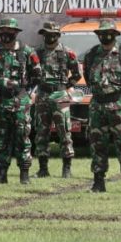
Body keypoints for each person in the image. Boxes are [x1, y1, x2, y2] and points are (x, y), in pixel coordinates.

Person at [82, 19, 121, 193]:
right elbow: (88, 77)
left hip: (120, 106)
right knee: (97, 145)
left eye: (108, 33)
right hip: (98, 107)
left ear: (115, 35)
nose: (105, 36)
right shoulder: (91, 55)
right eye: (101, 34)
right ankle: (98, 182)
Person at [0, 18, 41, 186]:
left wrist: (29, 93)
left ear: (16, 33)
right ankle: (1, 174)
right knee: (2, 139)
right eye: (2, 31)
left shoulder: (27, 52)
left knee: (22, 137)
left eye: (9, 32)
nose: (5, 35)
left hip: (20, 101)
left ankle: (24, 173)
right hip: (0, 102)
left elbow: (37, 75)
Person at [33, 21, 81, 178]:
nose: (49, 37)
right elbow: (29, 73)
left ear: (58, 35)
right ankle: (42, 169)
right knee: (41, 132)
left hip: (61, 95)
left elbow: (77, 74)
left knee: (65, 131)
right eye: (47, 34)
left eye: (52, 34)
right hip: (42, 95)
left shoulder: (67, 53)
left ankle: (67, 168)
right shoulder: (37, 53)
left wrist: (66, 86)